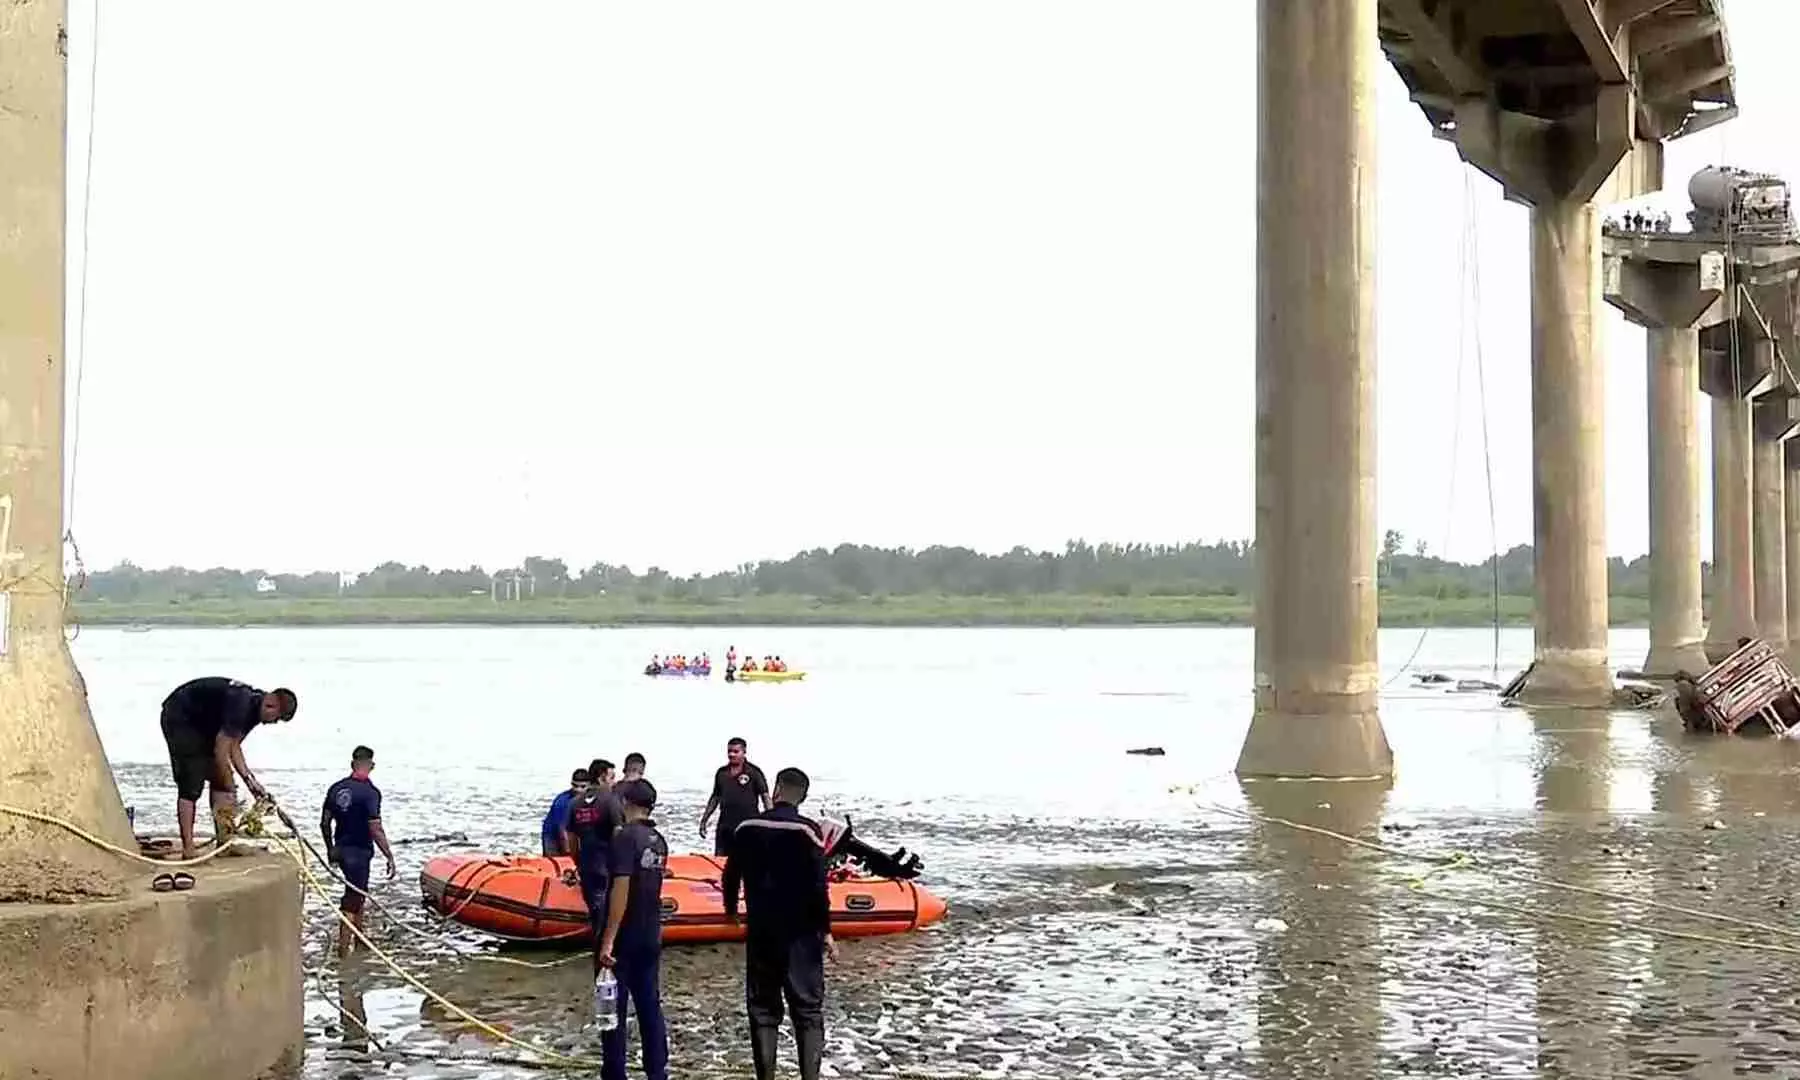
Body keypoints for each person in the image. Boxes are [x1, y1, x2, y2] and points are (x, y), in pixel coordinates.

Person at [722, 767, 836, 1080]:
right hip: (801, 934)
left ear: (775, 791)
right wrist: (826, 931)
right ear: (803, 797)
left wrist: (731, 910)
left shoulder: (747, 827)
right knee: (807, 1011)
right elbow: (818, 887)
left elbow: (731, 874)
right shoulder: (808, 831)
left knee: (762, 1010)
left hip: (762, 930)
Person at [159, 677, 298, 860]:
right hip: (181, 716)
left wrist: (250, 781)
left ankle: (224, 843)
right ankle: (188, 849)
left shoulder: (255, 710)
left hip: (207, 724)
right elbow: (221, 749)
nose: (273, 723)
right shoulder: (241, 704)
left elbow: (234, 746)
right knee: (191, 783)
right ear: (271, 704)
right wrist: (229, 781)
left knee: (222, 782)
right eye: (277, 718)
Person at [596, 779, 670, 1080]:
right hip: (650, 932)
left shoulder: (624, 838)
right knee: (650, 1005)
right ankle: (657, 1071)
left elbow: (621, 889)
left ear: (627, 803)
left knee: (613, 1006)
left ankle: (615, 1072)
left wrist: (608, 940)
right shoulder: (658, 840)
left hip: (625, 935)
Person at [320, 745, 396, 957]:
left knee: (358, 892)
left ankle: (360, 940)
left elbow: (325, 823)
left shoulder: (336, 788)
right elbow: (375, 828)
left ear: (352, 764)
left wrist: (330, 849)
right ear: (371, 765)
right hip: (359, 853)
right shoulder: (371, 793)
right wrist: (389, 855)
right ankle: (343, 953)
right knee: (352, 900)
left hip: (341, 850)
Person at [562, 758, 622, 970]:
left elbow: (570, 836)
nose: (614, 781)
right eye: (611, 777)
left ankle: (599, 957)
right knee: (607, 914)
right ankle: (605, 957)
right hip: (608, 865)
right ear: (602, 777)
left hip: (587, 864)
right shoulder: (611, 800)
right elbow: (618, 831)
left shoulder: (575, 803)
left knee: (596, 912)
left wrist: (577, 860)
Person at [699, 737, 769, 855]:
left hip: (748, 826)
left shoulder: (754, 772)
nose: (731, 754)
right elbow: (715, 798)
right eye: (729, 751)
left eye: (736, 751)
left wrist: (771, 819)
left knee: (749, 860)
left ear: (744, 752)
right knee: (721, 860)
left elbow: (765, 797)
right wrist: (704, 820)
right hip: (725, 826)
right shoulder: (722, 773)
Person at [543, 768, 590, 856]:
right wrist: (568, 853)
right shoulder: (562, 801)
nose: (578, 790)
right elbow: (562, 829)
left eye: (583, 787)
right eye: (575, 786)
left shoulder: (590, 799)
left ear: (590, 785)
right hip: (552, 835)